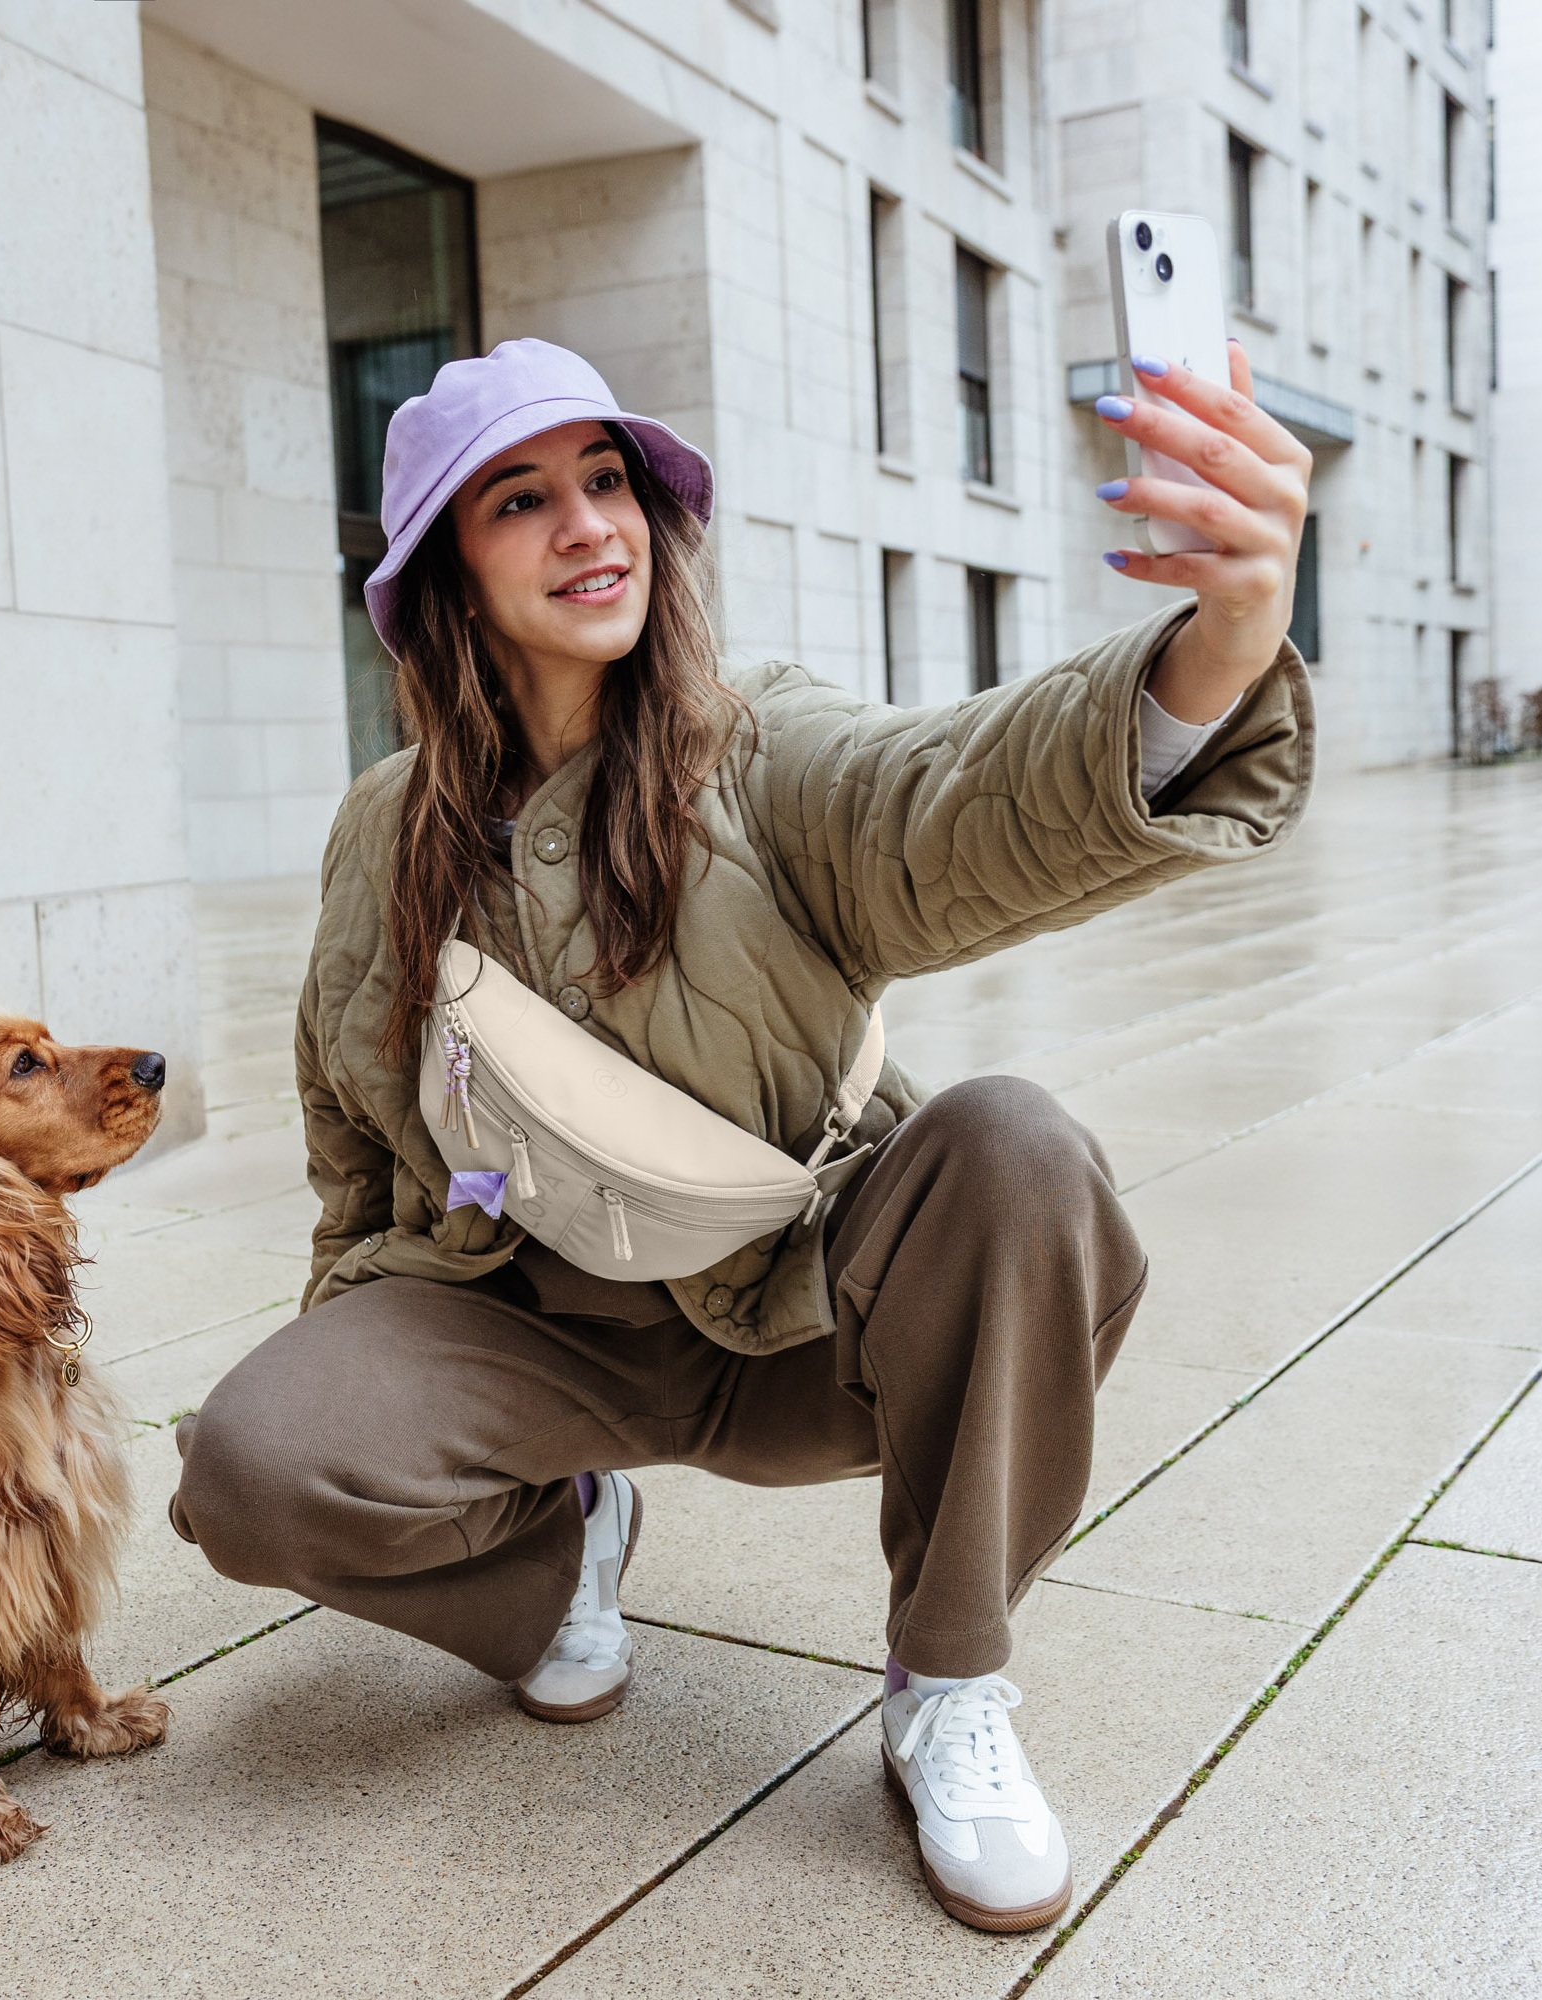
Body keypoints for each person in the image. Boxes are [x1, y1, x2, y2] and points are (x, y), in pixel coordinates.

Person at [169, 338, 1312, 1933]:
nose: (591, 527)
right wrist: (367, 1396)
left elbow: (961, 793)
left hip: (799, 1315)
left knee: (1014, 1147)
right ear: (441, 575)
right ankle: (563, 1557)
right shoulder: (378, 827)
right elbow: (345, 1132)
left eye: (609, 480)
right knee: (249, 1468)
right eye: (522, 499)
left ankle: (948, 1681)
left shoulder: (758, 744)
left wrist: (1218, 647)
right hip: (527, 1327)